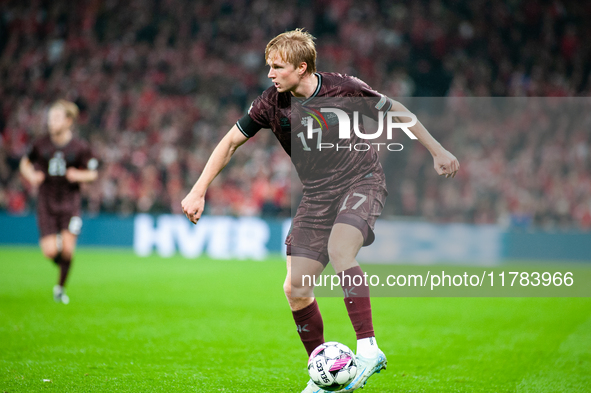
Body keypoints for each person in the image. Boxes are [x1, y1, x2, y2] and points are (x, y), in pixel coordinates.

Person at [181, 29, 459, 392]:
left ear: (302, 67)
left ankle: (369, 349)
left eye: (277, 67)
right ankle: (323, 373)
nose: (270, 74)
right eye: (269, 67)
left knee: (340, 249)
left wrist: (437, 150)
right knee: (295, 288)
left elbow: (396, 110)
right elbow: (232, 141)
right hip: (316, 195)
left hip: (362, 180)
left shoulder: (344, 88)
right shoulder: (270, 103)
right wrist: (199, 190)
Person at [20, 100, 98, 304]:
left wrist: (78, 175)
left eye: (56, 118)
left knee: (68, 248)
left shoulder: (80, 147)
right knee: (51, 251)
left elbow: (92, 173)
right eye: (50, 118)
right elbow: (24, 163)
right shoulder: (41, 144)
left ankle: (60, 289)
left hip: (70, 204)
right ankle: (64, 265)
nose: (51, 122)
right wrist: (31, 176)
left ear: (69, 121)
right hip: (46, 203)